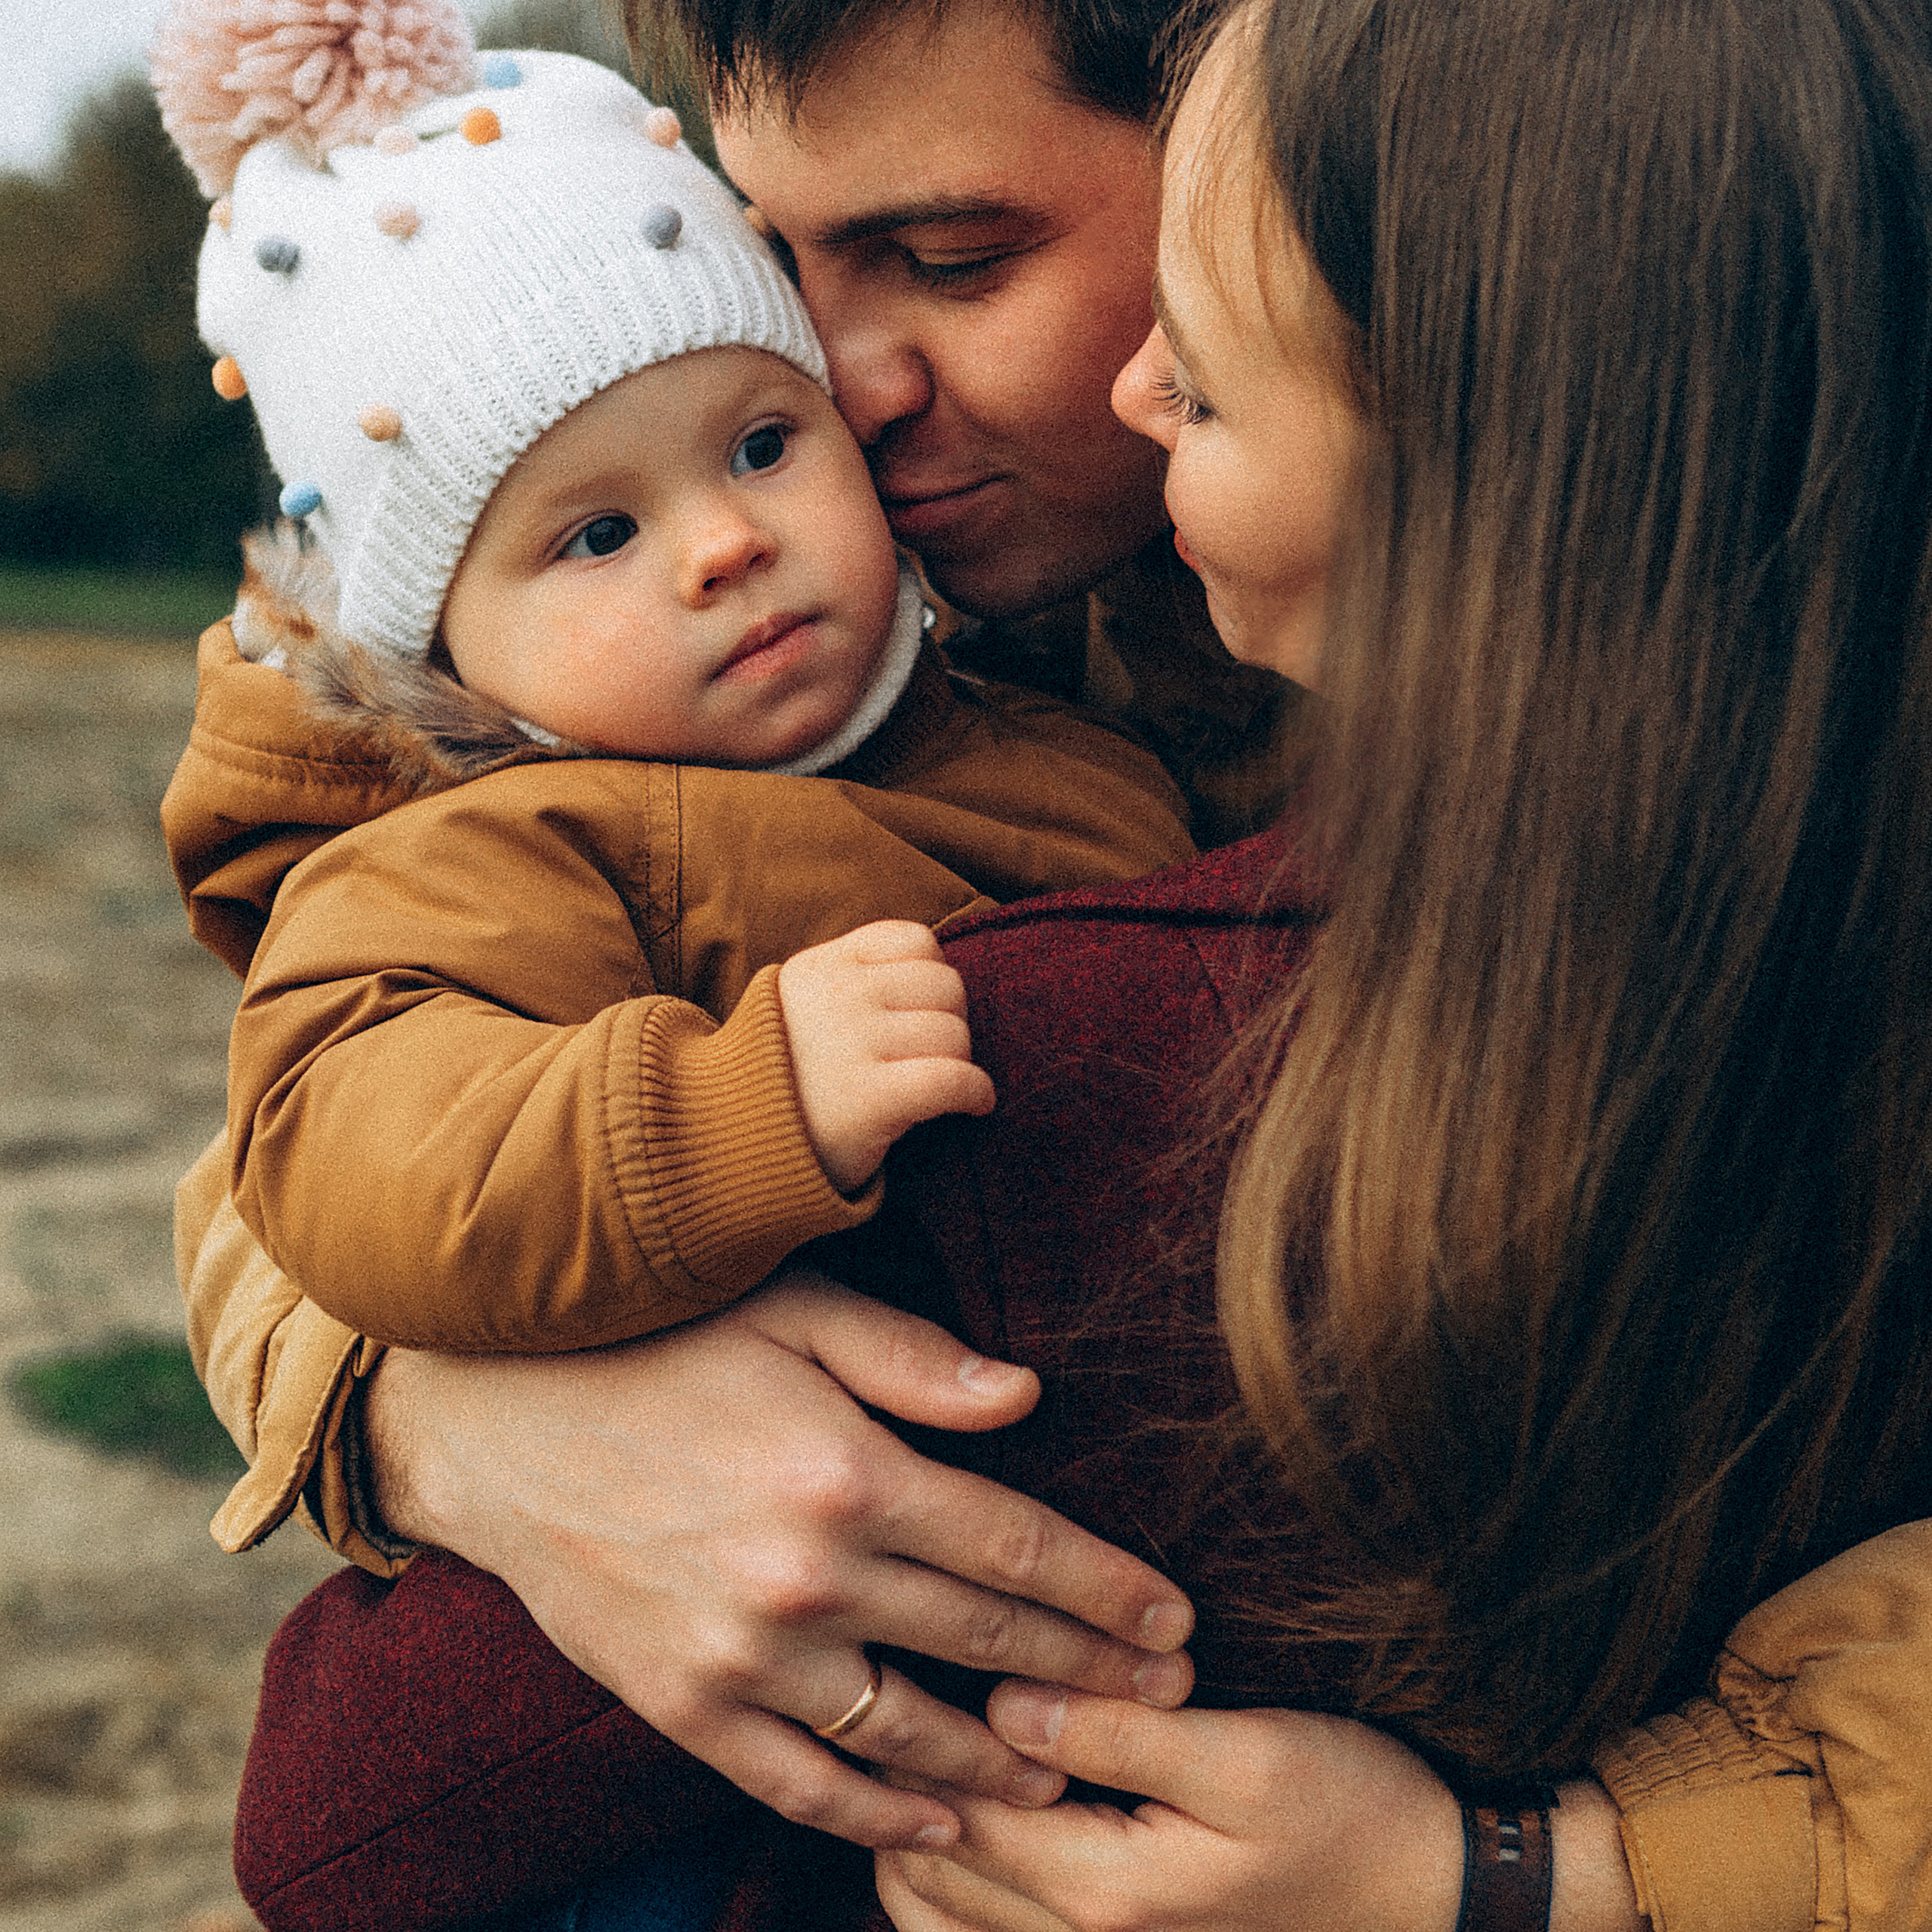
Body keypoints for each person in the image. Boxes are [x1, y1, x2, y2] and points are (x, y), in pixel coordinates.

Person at [177, 0, 1932, 1926]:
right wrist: (458, 1416)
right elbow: (312, 1109)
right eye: (772, 258)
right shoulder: (826, 670)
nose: (835, 375)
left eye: (948, 258)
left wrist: (1532, 1880)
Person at [147, 17, 1191, 1355]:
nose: (723, 544)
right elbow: (355, 1158)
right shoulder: (491, 859)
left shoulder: (1041, 715)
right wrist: (740, 1107)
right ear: (438, 644)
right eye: (597, 536)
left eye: (764, 444)